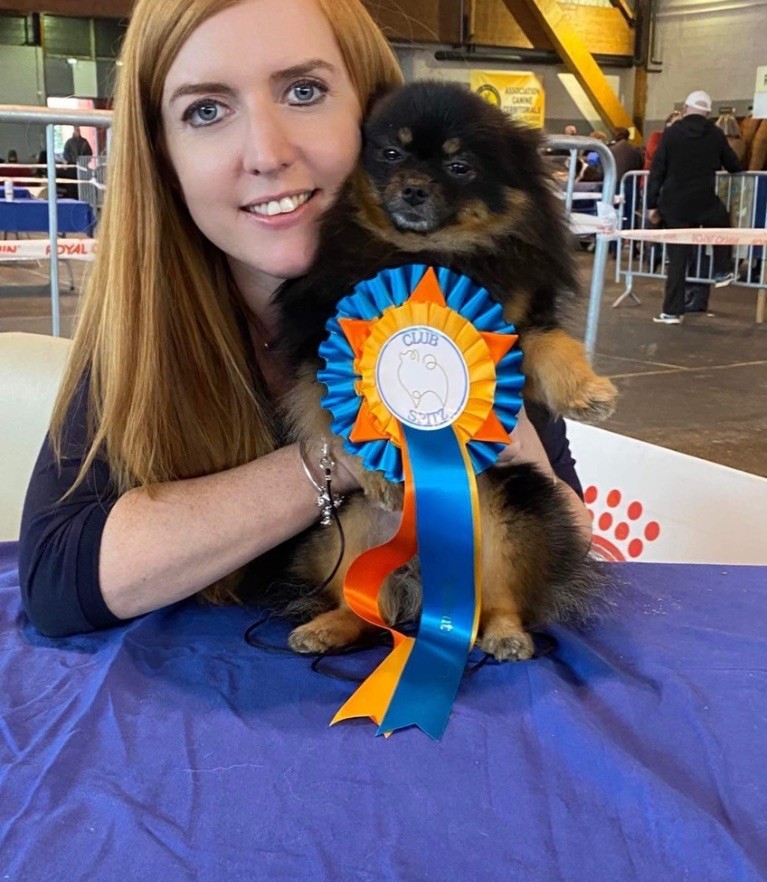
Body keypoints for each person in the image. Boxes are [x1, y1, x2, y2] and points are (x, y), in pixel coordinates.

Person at [19, 0, 592, 639]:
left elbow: (566, 534)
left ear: (371, 110)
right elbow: (57, 578)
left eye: (304, 91)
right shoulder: (146, 328)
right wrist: (342, 456)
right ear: (163, 155)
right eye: (205, 110)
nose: (267, 153)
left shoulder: (469, 303)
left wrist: (483, 418)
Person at [647, 89, 741, 324]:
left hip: (674, 204)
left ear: (685, 109)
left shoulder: (671, 134)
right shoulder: (715, 134)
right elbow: (733, 165)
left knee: (677, 260)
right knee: (722, 224)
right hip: (704, 201)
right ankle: (722, 269)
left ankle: (671, 312)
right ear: (708, 113)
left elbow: (657, 170)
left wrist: (651, 204)